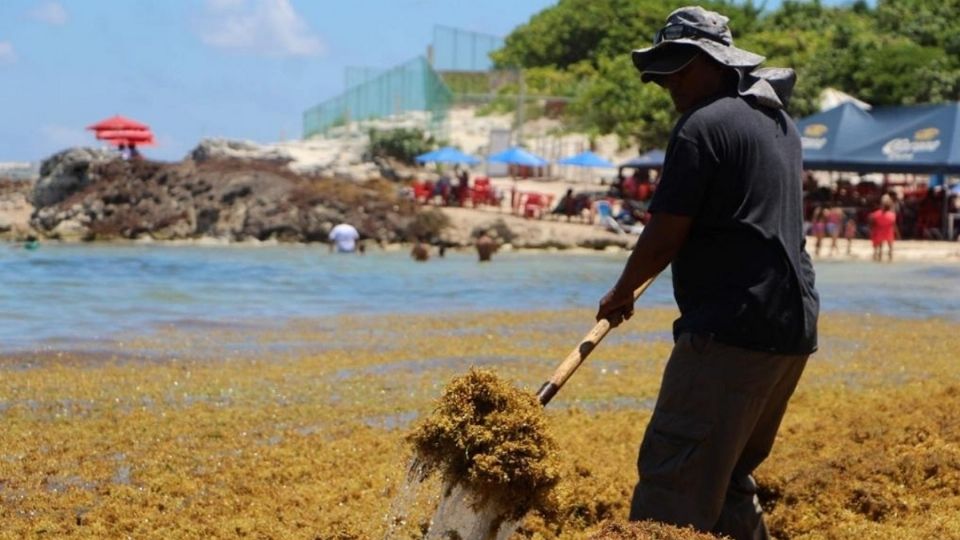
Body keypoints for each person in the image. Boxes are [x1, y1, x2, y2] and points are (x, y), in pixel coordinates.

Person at [596, 7, 819, 539]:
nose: (671, 82)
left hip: (730, 328)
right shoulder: (777, 121)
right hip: (790, 328)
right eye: (664, 71)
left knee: (671, 486)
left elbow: (665, 234)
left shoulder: (702, 127)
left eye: (682, 67)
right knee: (726, 474)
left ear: (717, 63)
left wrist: (620, 293)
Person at [869, 194, 898, 261]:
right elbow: (893, 224)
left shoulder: (877, 214)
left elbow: (872, 221)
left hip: (880, 231)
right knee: (890, 247)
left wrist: (872, 230)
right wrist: (897, 233)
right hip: (888, 231)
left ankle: (879, 258)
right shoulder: (891, 214)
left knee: (880, 248)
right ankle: (890, 258)